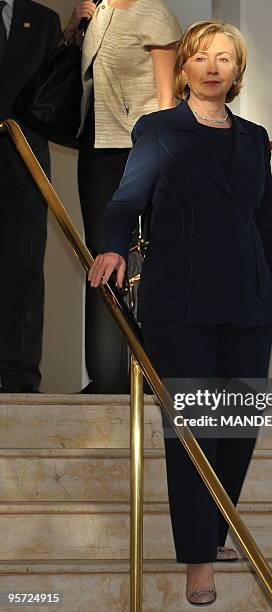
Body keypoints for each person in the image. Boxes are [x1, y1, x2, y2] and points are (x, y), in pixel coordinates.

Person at [89, 20, 272, 606]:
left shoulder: (254, 137)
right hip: (179, 303)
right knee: (193, 431)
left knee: (237, 428)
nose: (214, 67)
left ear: (237, 72)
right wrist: (111, 245)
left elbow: (268, 223)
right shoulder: (159, 129)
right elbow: (126, 200)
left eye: (225, 59)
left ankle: (214, 531)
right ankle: (198, 560)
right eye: (202, 57)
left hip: (246, 298)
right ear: (184, 67)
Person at [65, 0, 182, 393]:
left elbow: (168, 101)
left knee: (144, 261)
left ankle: (150, 375)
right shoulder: (97, 11)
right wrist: (73, 27)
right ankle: (105, 377)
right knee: (99, 258)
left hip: (141, 150)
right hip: (96, 150)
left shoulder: (154, 13)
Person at [0, 0, 62, 393]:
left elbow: (54, 92)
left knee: (22, 269)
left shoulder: (44, 20)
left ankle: (19, 377)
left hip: (24, 163)